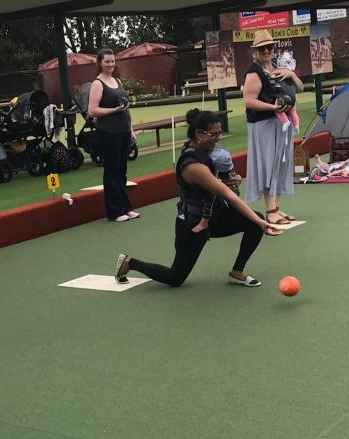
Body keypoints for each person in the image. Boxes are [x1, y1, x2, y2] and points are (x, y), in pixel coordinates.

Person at [114, 109, 280, 288]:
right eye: (213, 134)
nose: (218, 138)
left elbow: (221, 186)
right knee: (175, 278)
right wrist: (262, 223)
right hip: (192, 225)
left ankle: (237, 272)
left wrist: (236, 180)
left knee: (254, 223)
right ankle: (129, 262)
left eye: (219, 133)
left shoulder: (208, 154)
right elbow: (227, 195)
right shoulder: (192, 166)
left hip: (215, 217)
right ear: (199, 134)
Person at [243, 29, 304, 226]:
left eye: (269, 47)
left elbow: (300, 88)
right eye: (262, 49)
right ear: (256, 51)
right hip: (263, 124)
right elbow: (249, 101)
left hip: (282, 124)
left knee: (281, 163)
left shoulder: (279, 67)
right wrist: (273, 107)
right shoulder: (254, 71)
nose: (266, 51)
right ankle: (270, 211)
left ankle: (276, 207)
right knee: (268, 164)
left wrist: (291, 74)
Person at [88, 48, 139, 222]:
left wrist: (131, 130)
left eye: (112, 61)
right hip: (109, 133)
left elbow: (126, 109)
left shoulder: (117, 81)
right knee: (111, 171)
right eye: (107, 61)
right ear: (100, 63)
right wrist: (113, 110)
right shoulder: (97, 83)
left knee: (122, 170)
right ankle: (115, 211)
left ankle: (126, 207)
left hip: (124, 131)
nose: (110, 64)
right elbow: (92, 110)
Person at [273, 51, 300, 132]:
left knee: (277, 109)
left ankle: (285, 121)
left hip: (283, 96)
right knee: (293, 112)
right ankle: (296, 125)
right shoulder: (291, 74)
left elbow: (271, 78)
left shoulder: (278, 73)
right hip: (293, 97)